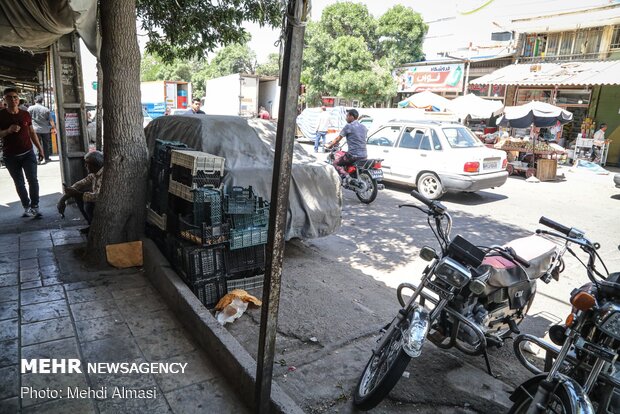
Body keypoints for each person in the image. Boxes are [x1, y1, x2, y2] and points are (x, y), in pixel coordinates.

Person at [0, 87, 46, 218]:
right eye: (9, 97)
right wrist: (8, 130)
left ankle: (35, 206)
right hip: (10, 156)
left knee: (33, 180)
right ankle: (26, 206)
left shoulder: (25, 114)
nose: (13, 99)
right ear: (4, 100)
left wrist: (40, 149)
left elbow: (32, 132)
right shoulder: (1, 115)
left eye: (15, 97)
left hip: (28, 153)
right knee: (19, 183)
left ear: (18, 99)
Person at [57, 151, 104, 233]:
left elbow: (98, 197)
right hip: (98, 200)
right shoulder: (94, 174)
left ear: (95, 164)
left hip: (104, 203)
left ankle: (95, 228)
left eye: (87, 164)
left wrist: (77, 194)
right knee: (79, 195)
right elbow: (80, 183)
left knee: (87, 204)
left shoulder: (103, 175)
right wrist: (63, 199)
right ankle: (91, 225)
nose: (85, 166)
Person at [325, 108, 368, 183]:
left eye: (347, 116)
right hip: (364, 155)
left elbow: (338, 139)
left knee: (335, 163)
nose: (346, 118)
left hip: (353, 155)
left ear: (352, 116)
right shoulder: (363, 127)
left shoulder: (349, 126)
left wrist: (330, 145)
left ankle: (346, 176)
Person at [28, 96, 56, 164]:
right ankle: (46, 158)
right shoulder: (46, 109)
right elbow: (51, 120)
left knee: (37, 143)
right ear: (42, 101)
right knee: (46, 144)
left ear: (35, 100)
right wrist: (54, 128)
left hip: (35, 130)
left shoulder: (30, 108)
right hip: (45, 130)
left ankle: (39, 158)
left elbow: (27, 118)